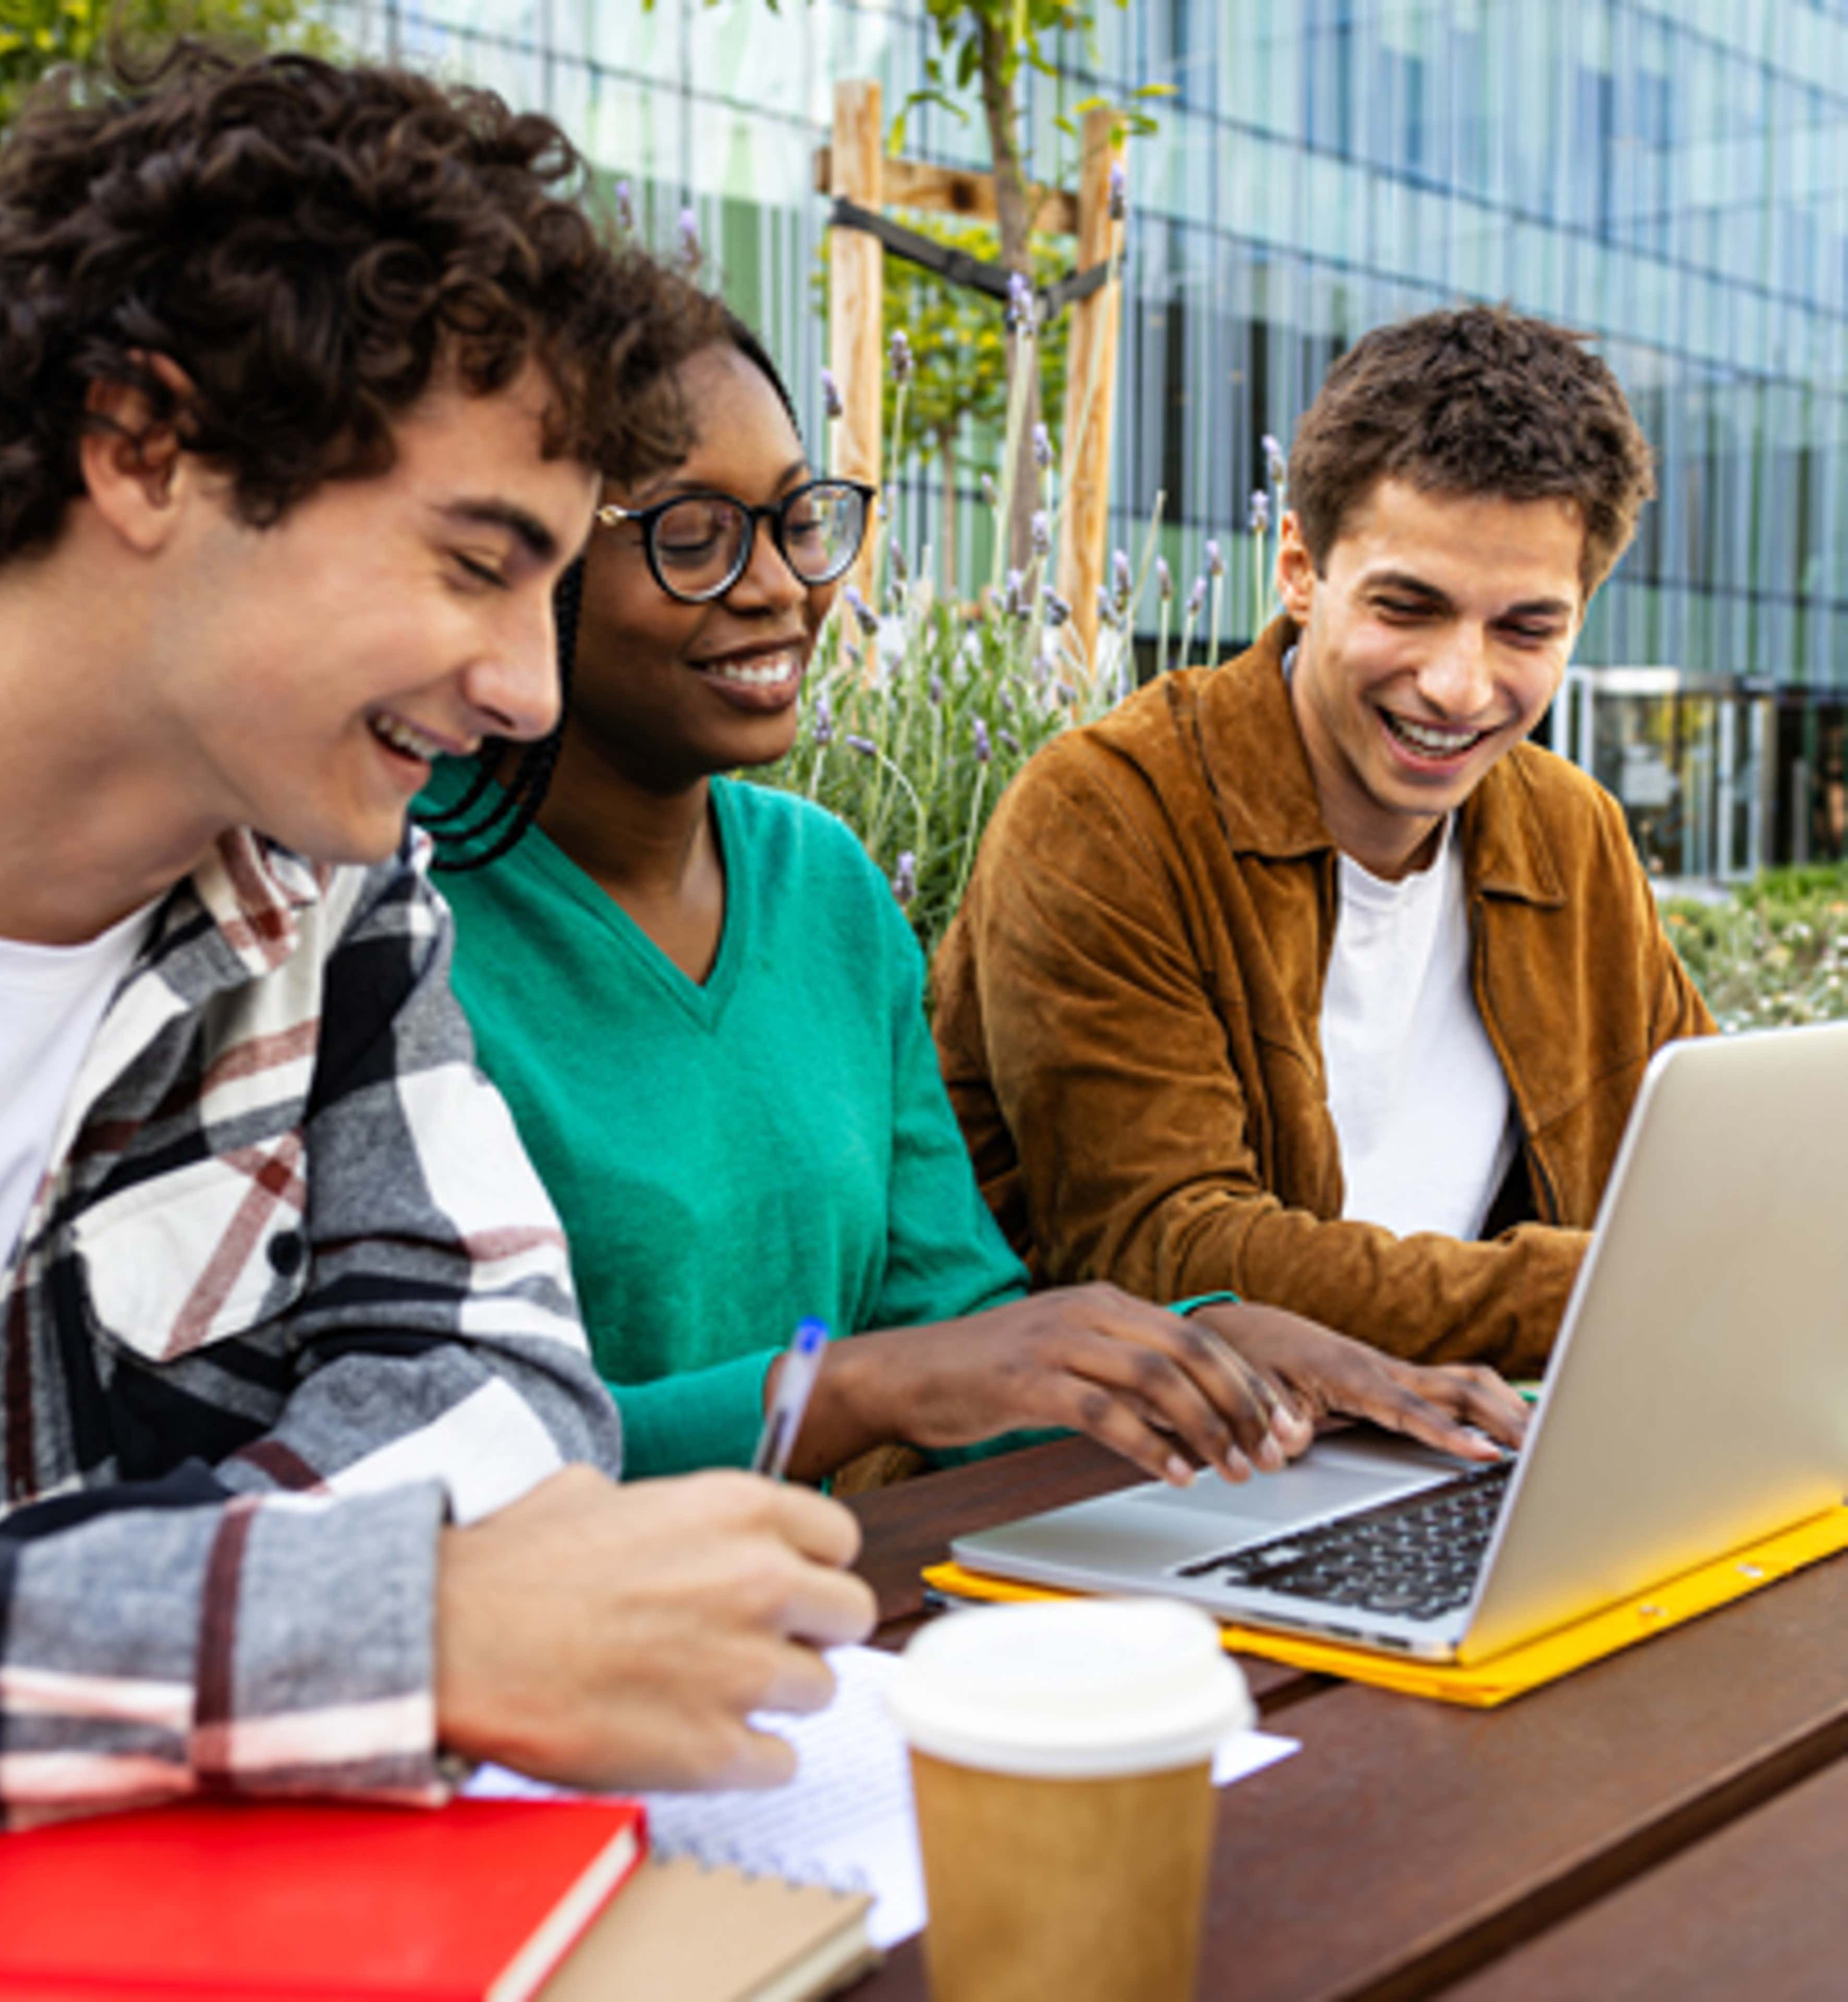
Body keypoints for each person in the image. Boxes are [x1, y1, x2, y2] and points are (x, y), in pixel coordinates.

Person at [0, 50, 876, 1845]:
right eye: (473, 565)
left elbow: (514, 1386)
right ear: (145, 448)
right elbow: (441, 1572)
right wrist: (374, 1629)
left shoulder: (337, 895)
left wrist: (25, 1654)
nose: (528, 689)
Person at [420, 309, 1530, 1489]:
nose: (780, 586)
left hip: (820, 1622)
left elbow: (962, 1324)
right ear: (521, 559)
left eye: (800, 520)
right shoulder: (389, 919)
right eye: (692, 537)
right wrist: (850, 1385)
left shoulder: (826, 886)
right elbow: (426, 1457)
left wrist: (1214, 1344)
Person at [934, 305, 1717, 1376]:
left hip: (1453, 1455)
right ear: (1298, 569)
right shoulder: (1106, 814)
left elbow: (1714, 1161)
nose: (1458, 684)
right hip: (1125, 1481)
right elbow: (1167, 1255)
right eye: (1409, 608)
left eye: (1526, 628)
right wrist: (1617, 1288)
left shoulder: (1569, 833)